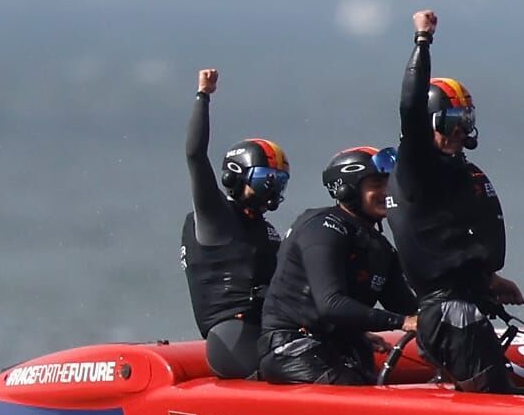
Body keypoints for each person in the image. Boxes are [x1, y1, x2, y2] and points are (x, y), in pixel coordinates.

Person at [387, 9, 524, 393]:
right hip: (449, 313)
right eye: (450, 123)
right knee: (495, 402)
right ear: (430, 125)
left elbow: (451, 240)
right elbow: (410, 108)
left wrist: (489, 279)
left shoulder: (460, 171)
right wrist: (423, 40)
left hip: (464, 304)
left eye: (465, 122)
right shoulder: (417, 167)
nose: (459, 132)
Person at [259, 147, 420, 385]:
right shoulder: (322, 228)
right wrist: (400, 322)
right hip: (292, 349)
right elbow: (331, 305)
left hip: (335, 347)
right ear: (348, 189)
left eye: (391, 183)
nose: (388, 191)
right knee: (358, 390)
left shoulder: (381, 248)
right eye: (377, 184)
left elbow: (407, 307)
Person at [179, 67, 288, 379]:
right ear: (233, 178)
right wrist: (203, 96)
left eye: (279, 182)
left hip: (270, 328)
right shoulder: (216, 217)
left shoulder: (265, 229)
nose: (272, 190)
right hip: (234, 337)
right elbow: (195, 155)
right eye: (266, 180)